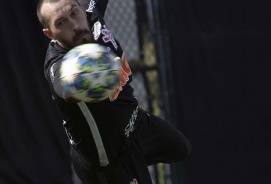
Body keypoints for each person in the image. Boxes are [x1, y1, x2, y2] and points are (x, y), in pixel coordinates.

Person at [37, 0, 191, 183]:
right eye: (61, 23)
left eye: (74, 13)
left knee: (180, 149)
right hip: (111, 159)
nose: (75, 25)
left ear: (81, 7)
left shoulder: (92, 18)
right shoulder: (59, 64)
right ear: (49, 33)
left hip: (135, 124)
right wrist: (78, 82)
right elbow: (62, 85)